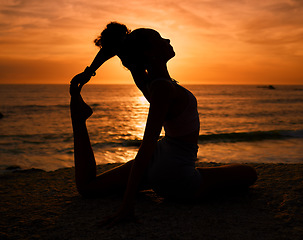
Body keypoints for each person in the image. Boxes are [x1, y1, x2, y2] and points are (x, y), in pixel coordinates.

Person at [69, 22, 257, 227]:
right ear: (149, 52)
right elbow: (146, 146)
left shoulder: (146, 80)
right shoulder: (161, 89)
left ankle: (79, 121)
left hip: (160, 160)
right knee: (249, 173)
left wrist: (90, 71)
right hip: (174, 174)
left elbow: (115, 45)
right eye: (159, 39)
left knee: (88, 188)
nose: (167, 40)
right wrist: (127, 206)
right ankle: (184, 179)